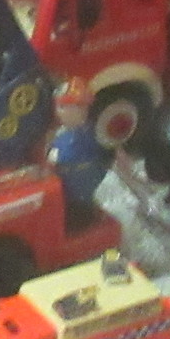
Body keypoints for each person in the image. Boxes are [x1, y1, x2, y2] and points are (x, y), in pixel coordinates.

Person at [46, 79, 112, 230]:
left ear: (81, 109)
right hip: (63, 192)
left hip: (76, 200)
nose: (58, 112)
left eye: (63, 107)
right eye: (59, 106)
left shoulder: (91, 138)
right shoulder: (65, 133)